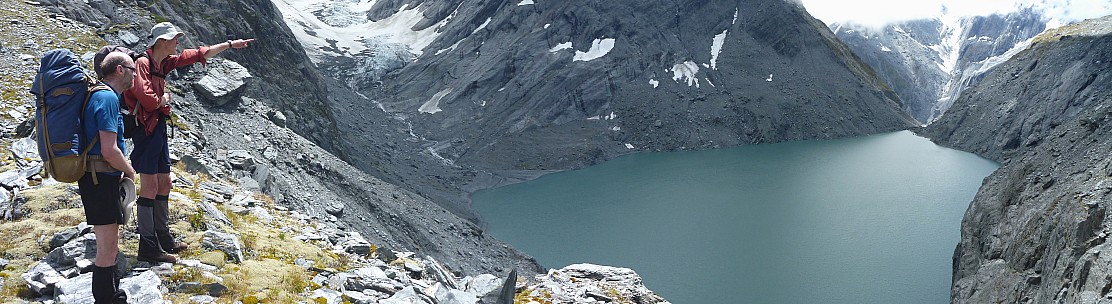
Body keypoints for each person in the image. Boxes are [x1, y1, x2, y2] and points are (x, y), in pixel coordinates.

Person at [124, 22, 254, 263]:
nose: (178, 43)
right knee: (151, 186)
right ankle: (148, 246)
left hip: (158, 127)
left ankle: (162, 236)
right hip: (146, 130)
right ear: (161, 41)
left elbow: (197, 54)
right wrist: (162, 99)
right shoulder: (143, 64)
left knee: (165, 183)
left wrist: (229, 45)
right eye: (174, 39)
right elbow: (147, 99)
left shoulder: (163, 62)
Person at [82, 52, 138, 304]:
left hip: (100, 176)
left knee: (110, 241)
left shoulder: (104, 95)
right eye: (132, 69)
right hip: (101, 178)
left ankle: (112, 293)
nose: (135, 74)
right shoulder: (107, 98)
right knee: (106, 245)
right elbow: (109, 149)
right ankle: (106, 298)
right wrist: (129, 170)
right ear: (119, 70)